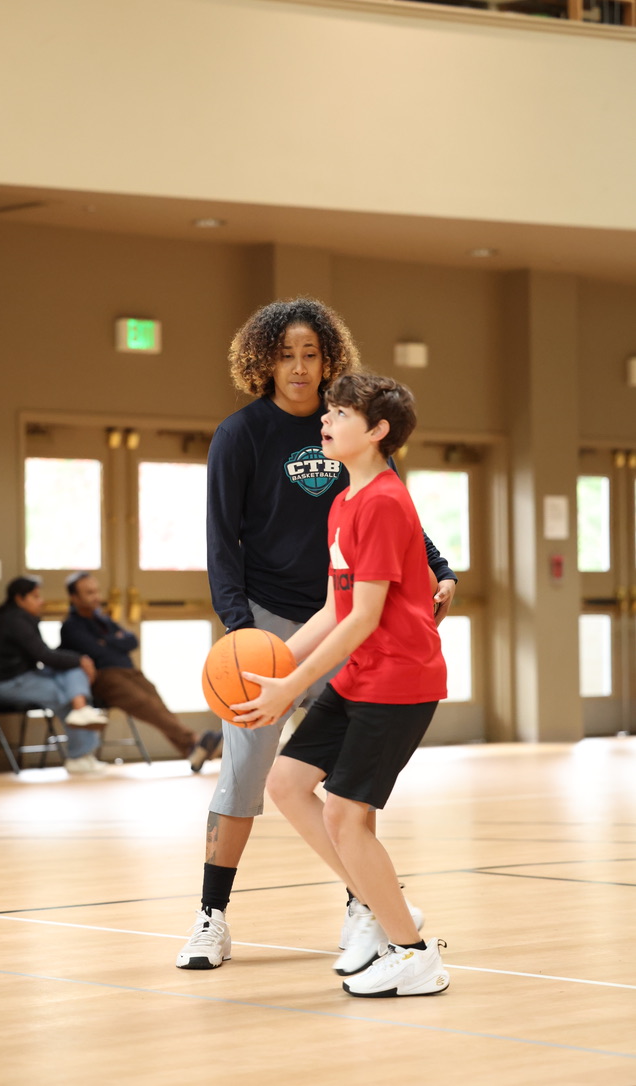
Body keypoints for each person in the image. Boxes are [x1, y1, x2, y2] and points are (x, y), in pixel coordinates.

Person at [176, 297, 456, 970]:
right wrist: (244, 636)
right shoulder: (242, 435)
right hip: (275, 621)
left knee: (348, 786)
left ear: (330, 361)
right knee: (249, 776)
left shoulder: (352, 438)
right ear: (262, 362)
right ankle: (212, 915)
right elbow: (222, 542)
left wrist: (438, 567)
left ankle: (368, 909)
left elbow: (392, 516)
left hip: (350, 618)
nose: (300, 369)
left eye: (311, 355)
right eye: (286, 355)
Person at [242, 372, 449, 997]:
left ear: (379, 430)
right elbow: (336, 608)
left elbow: (364, 617)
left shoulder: (385, 501)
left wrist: (291, 688)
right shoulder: (345, 499)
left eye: (339, 413)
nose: (324, 421)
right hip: (364, 675)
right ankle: (383, 906)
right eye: (326, 411)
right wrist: (276, 659)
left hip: (400, 679)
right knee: (287, 781)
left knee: (346, 815)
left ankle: (415, 956)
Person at [60, 572, 222, 771]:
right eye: (89, 592)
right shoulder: (71, 627)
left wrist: (109, 641)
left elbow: (131, 640)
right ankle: (195, 741)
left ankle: (191, 751)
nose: (96, 596)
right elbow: (99, 653)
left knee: (157, 703)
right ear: (74, 598)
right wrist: (115, 640)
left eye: (96, 591)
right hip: (106, 679)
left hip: (129, 672)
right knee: (148, 706)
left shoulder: (101, 619)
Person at [0, 576, 109, 776]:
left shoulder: (24, 618)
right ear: (19, 599)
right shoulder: (14, 620)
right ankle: (79, 756)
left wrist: (78, 661)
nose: (41, 601)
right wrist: (82, 660)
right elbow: (43, 655)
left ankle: (81, 714)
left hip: (27, 675)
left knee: (73, 673)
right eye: (35, 597)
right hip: (8, 683)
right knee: (65, 695)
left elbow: (45, 654)